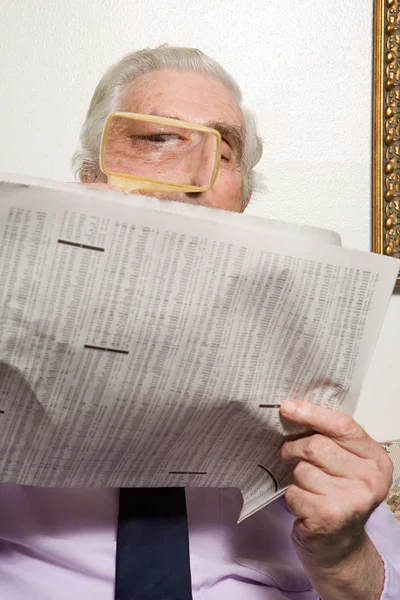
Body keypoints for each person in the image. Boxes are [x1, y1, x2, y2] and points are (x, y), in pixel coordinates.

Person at [0, 45, 399, 600]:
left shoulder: (304, 380)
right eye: (158, 138)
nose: (192, 177)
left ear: (242, 202)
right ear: (90, 173)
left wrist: (345, 555)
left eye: (226, 150)